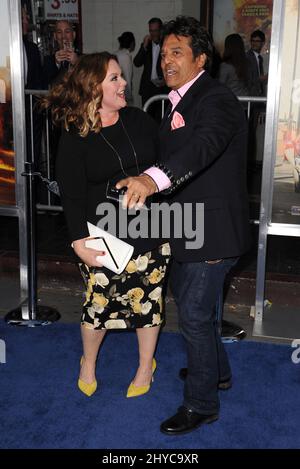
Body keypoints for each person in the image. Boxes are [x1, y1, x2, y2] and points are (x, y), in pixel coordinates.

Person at [116, 16, 251, 434]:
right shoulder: (177, 99)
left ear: (202, 60)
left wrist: (151, 179)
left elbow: (201, 147)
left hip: (213, 231)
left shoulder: (216, 99)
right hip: (190, 226)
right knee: (199, 312)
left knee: (192, 314)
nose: (166, 61)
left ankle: (202, 403)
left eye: (177, 53)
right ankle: (216, 374)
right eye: (165, 53)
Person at [41, 52, 170, 398]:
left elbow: (166, 166)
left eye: (121, 77)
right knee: (98, 304)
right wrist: (77, 240)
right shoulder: (75, 134)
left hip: (149, 229)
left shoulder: (140, 120)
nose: (124, 82)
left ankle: (146, 366)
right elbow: (71, 194)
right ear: (92, 86)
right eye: (114, 78)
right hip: (101, 235)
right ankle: (89, 362)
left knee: (148, 303)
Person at [133, 17, 169, 121]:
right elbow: (137, 63)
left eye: (156, 31)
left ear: (161, 30)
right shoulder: (146, 45)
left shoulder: (167, 45)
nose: (153, 34)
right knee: (147, 118)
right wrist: (144, 46)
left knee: (161, 119)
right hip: (147, 88)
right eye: (151, 31)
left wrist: (166, 81)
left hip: (162, 87)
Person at [43, 20, 79, 88]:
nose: (63, 36)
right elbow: (45, 83)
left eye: (67, 32)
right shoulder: (48, 61)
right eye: (59, 32)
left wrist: (77, 63)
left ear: (74, 35)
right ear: (55, 36)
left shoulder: (84, 59)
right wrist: (56, 64)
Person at [116, 32, 135, 105]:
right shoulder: (125, 56)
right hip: (123, 94)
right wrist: (129, 97)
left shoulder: (116, 53)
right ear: (132, 43)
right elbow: (127, 78)